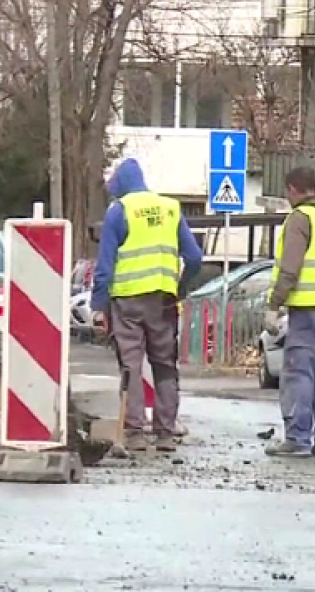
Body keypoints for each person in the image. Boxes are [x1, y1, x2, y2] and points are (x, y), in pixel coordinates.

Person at [90, 158, 203, 452]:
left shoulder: (119, 212)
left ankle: (135, 432)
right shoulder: (171, 209)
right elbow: (194, 258)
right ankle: (165, 432)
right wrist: (179, 287)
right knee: (164, 364)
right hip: (163, 300)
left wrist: (99, 305)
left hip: (127, 301)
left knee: (131, 364)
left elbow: (105, 266)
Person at [264, 166, 315, 458]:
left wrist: (274, 305)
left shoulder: (300, 219)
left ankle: (298, 439)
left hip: (306, 311)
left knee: (299, 373)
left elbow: (290, 267)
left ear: (292, 189)